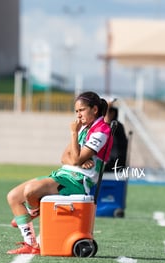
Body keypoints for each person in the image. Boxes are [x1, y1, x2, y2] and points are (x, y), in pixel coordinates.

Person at [6, 91, 113, 254]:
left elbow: (75, 159)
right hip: (63, 175)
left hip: (78, 181)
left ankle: (34, 211)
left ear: (95, 109)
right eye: (76, 111)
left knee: (31, 191)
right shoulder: (84, 126)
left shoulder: (101, 130)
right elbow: (65, 157)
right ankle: (31, 244)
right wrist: (80, 159)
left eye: (82, 110)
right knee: (13, 197)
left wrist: (74, 135)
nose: (78, 115)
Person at [103, 105, 128, 172]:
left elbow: (107, 121)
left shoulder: (116, 125)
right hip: (112, 162)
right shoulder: (116, 125)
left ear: (113, 113)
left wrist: (107, 106)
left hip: (115, 163)